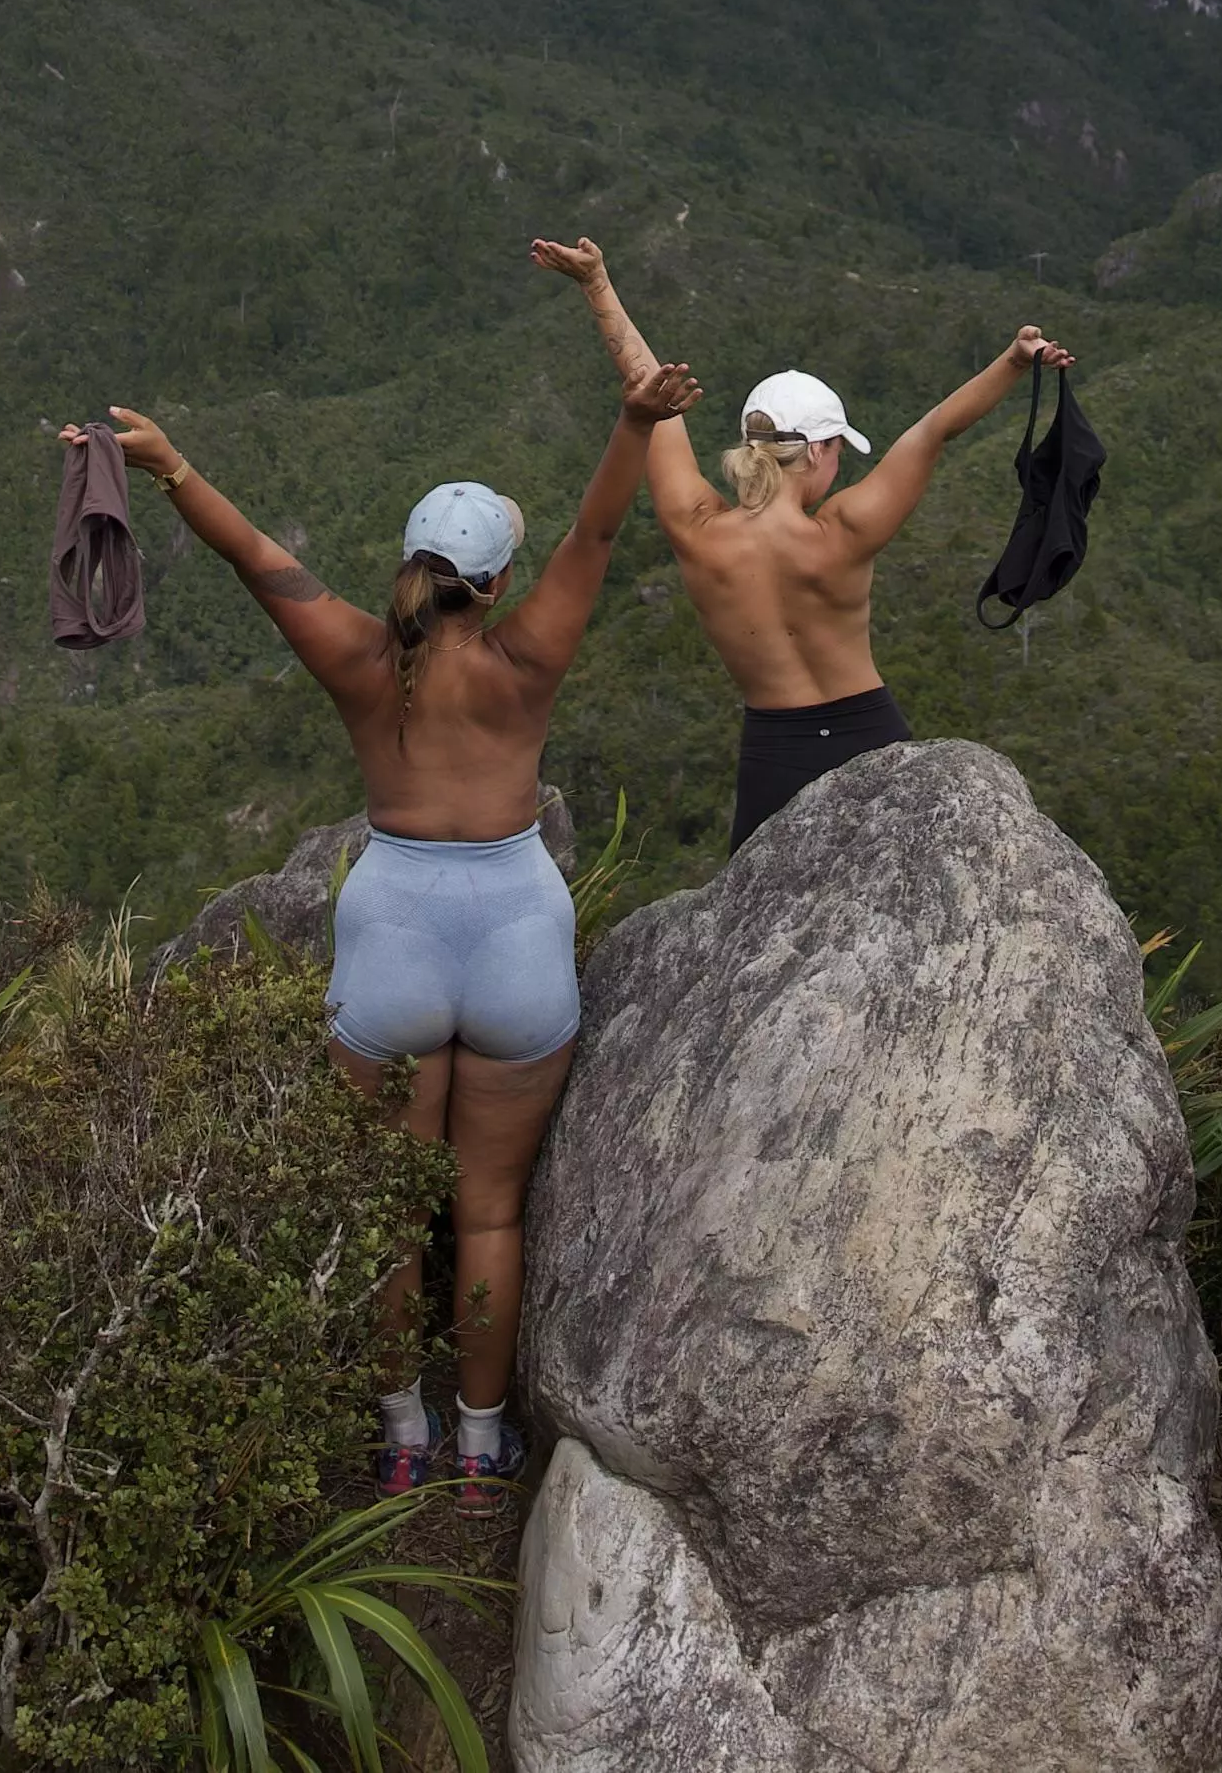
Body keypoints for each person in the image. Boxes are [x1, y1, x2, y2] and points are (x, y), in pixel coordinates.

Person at [73, 348, 698, 1497]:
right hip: (516, 932)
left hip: (392, 938)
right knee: (487, 1214)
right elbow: (598, 539)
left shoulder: (362, 658)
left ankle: (400, 1432)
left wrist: (169, 466)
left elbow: (257, 558)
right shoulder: (527, 656)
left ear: (410, 568)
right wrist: (629, 422)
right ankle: (477, 1443)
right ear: (498, 581)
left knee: (382, 1205)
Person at [528, 237, 1071, 852]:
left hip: (773, 756)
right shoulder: (844, 532)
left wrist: (597, 284)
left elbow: (650, 392)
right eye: (838, 448)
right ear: (817, 449)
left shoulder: (698, 532)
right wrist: (1015, 360)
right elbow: (935, 429)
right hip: (871, 736)